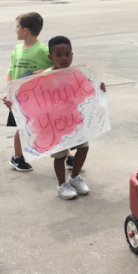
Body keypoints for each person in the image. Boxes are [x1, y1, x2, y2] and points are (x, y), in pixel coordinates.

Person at [42, 36, 105, 200]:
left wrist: (99, 86)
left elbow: (87, 89)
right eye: (59, 55)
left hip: (76, 121)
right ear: (50, 57)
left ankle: (74, 177)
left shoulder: (78, 73)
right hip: (56, 125)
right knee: (60, 156)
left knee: (83, 148)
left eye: (67, 54)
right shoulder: (44, 78)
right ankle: (62, 185)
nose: (64, 58)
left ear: (72, 54)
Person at [2, 12, 51, 172]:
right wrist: (8, 91)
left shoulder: (43, 50)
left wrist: (45, 70)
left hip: (38, 98)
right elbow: (10, 69)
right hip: (18, 98)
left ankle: (66, 155)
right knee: (21, 127)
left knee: (51, 125)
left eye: (17, 26)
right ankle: (17, 157)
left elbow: (59, 66)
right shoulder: (17, 49)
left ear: (25, 30)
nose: (15, 30)